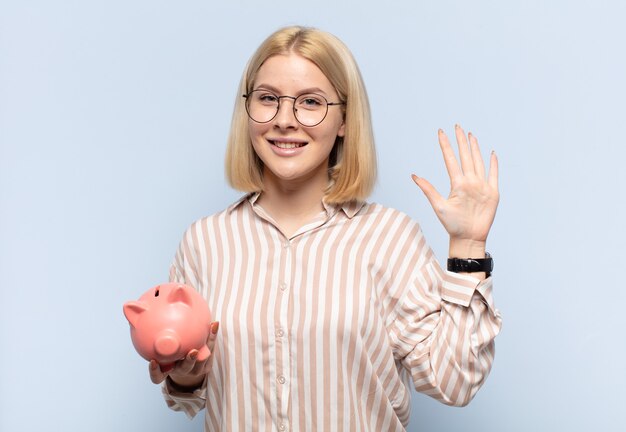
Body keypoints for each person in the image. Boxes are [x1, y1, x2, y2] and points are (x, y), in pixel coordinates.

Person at [148, 26, 502, 431]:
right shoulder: (205, 242)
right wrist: (186, 375)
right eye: (267, 99)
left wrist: (468, 244)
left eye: (310, 102)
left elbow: (454, 383)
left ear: (344, 121)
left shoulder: (389, 238)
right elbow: (188, 385)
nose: (284, 121)